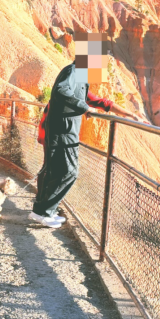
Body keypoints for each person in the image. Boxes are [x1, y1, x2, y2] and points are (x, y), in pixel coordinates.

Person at [30, 35, 118, 228]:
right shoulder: (73, 71)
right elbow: (61, 91)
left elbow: (88, 97)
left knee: (57, 170)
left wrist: (115, 108)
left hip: (65, 130)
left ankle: (44, 210)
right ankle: (42, 212)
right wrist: (84, 107)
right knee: (69, 172)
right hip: (62, 131)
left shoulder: (80, 75)